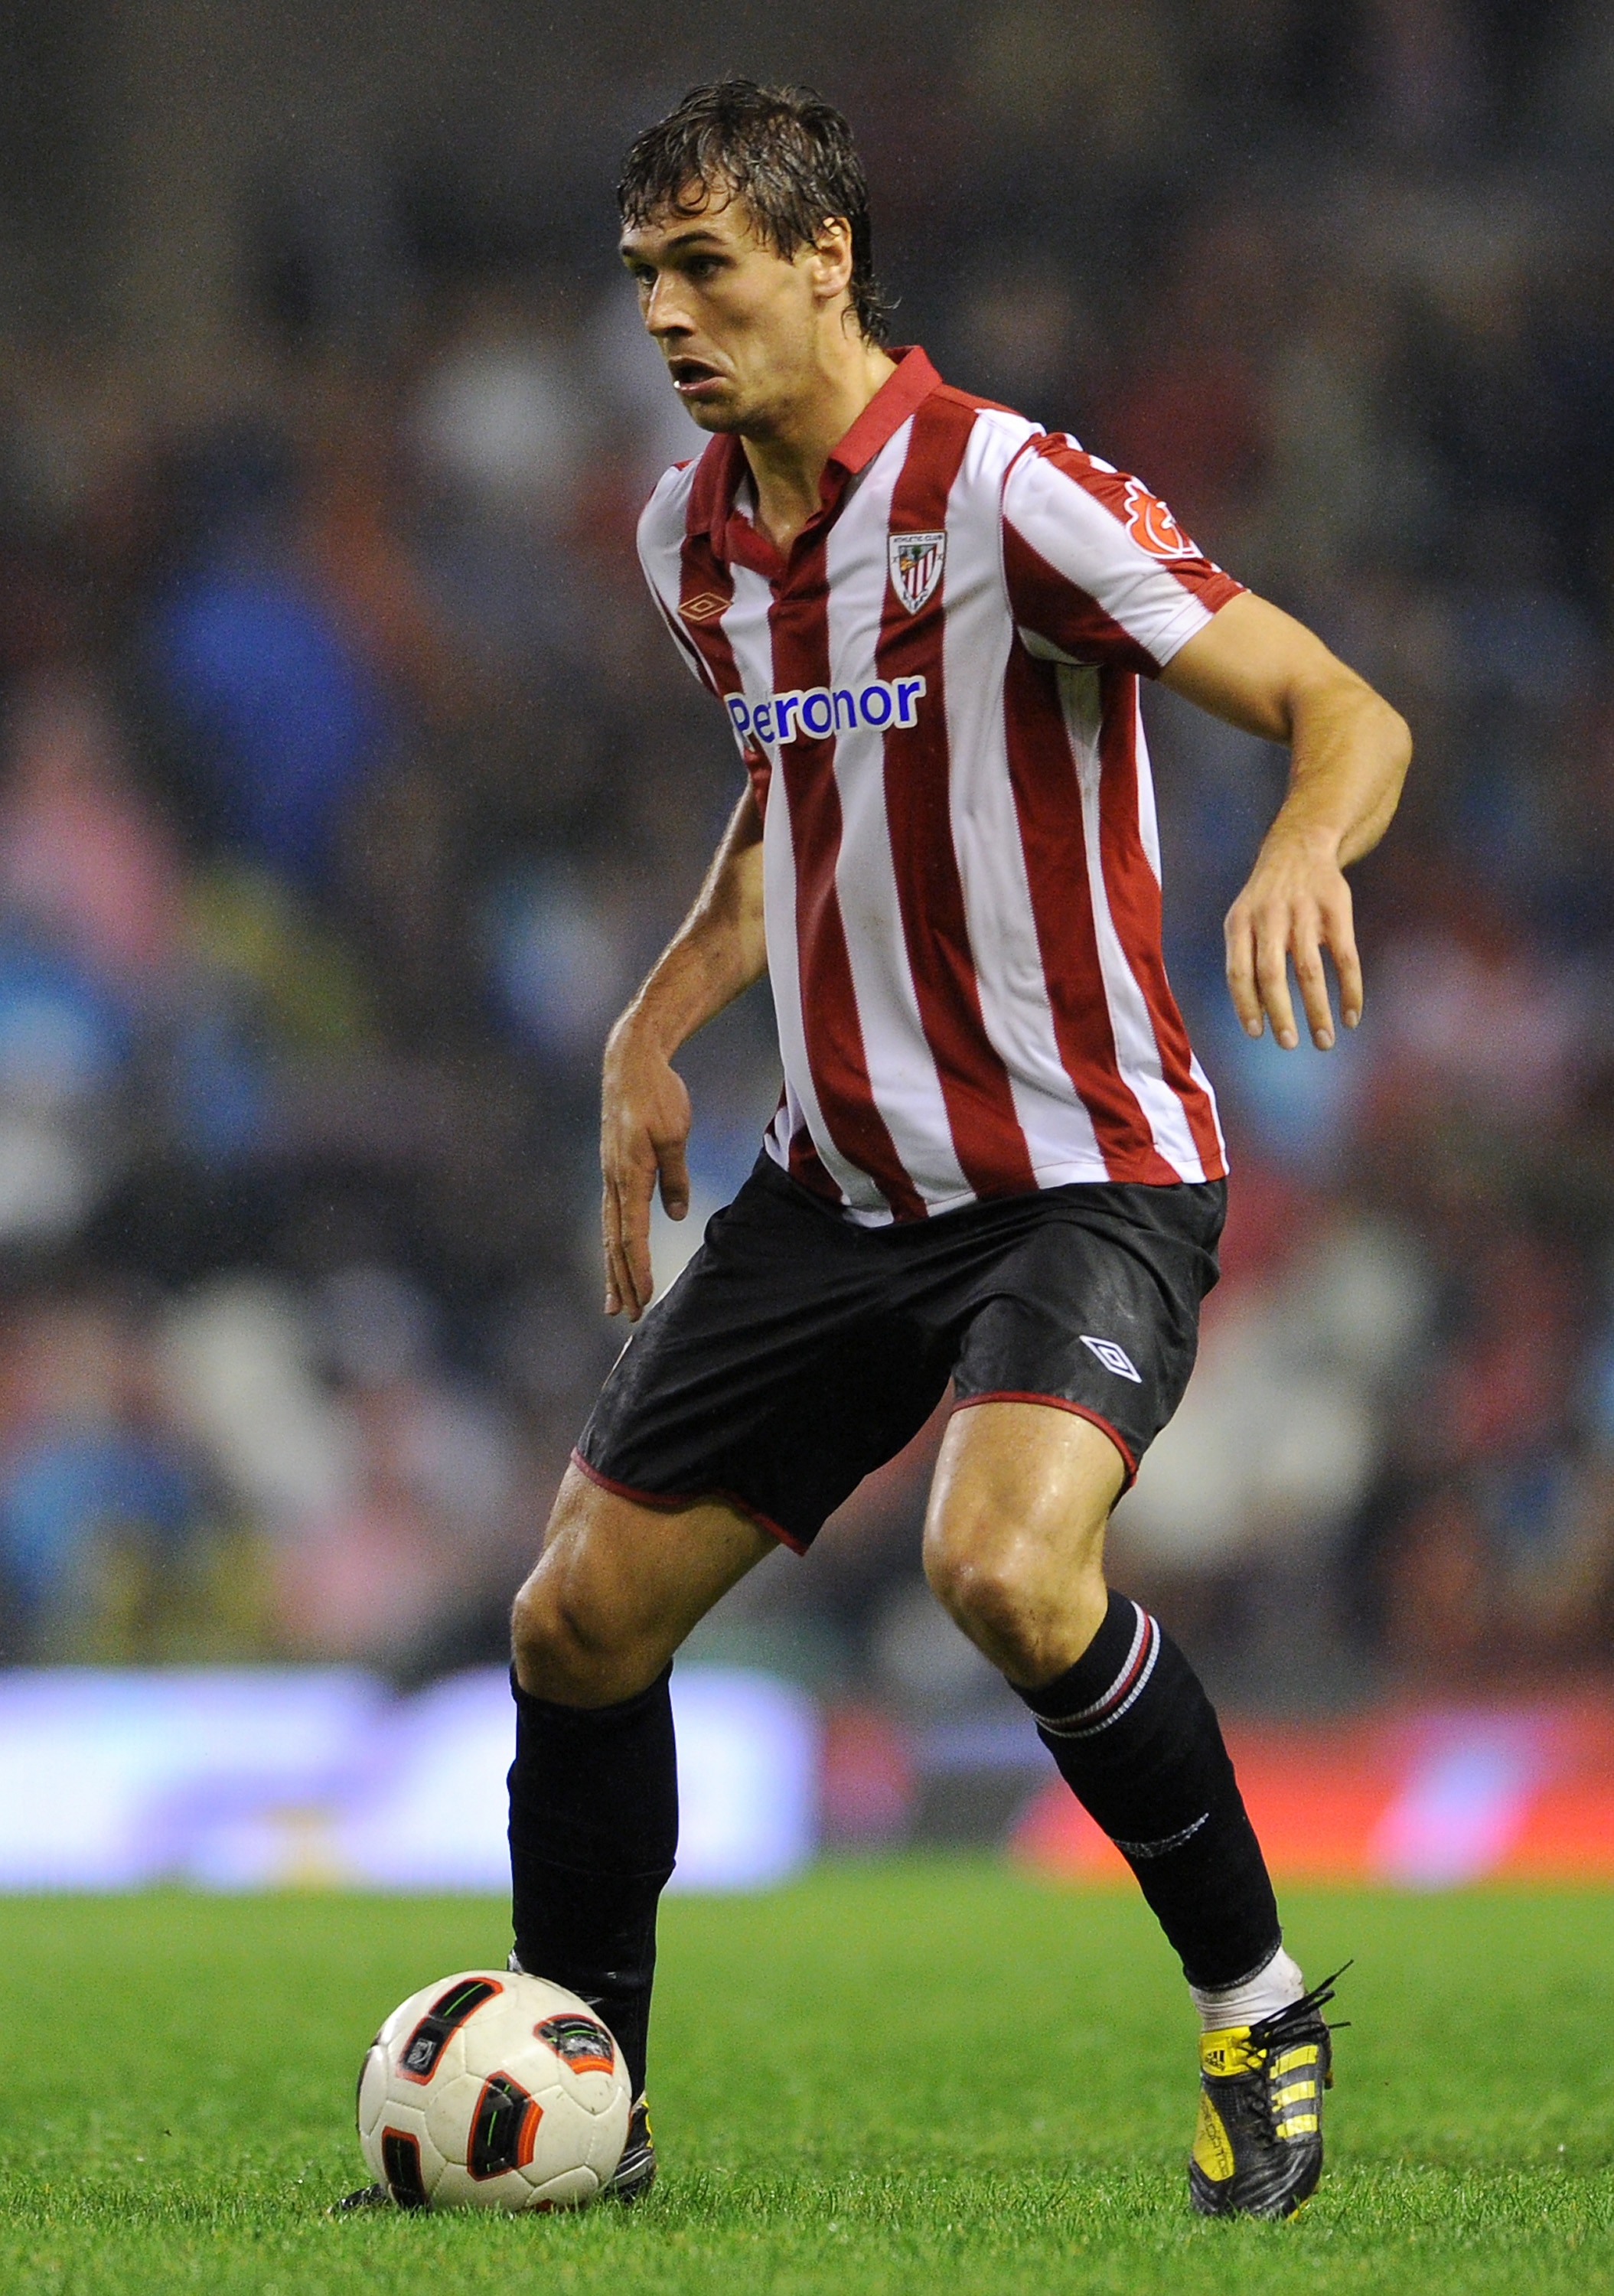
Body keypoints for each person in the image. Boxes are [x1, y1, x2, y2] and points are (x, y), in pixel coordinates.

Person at [508, 77, 1408, 2220]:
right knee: (573, 1627)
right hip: (837, 1190)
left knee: (1001, 1571)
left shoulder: (1006, 489)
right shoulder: (690, 536)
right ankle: (582, 2115)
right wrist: (653, 1020)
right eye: (644, 273)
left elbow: (1340, 704)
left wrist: (1302, 848)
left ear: (826, 257)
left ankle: (1260, 2009)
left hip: (1084, 1168)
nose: (664, 314)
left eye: (703, 265)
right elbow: (796, 810)